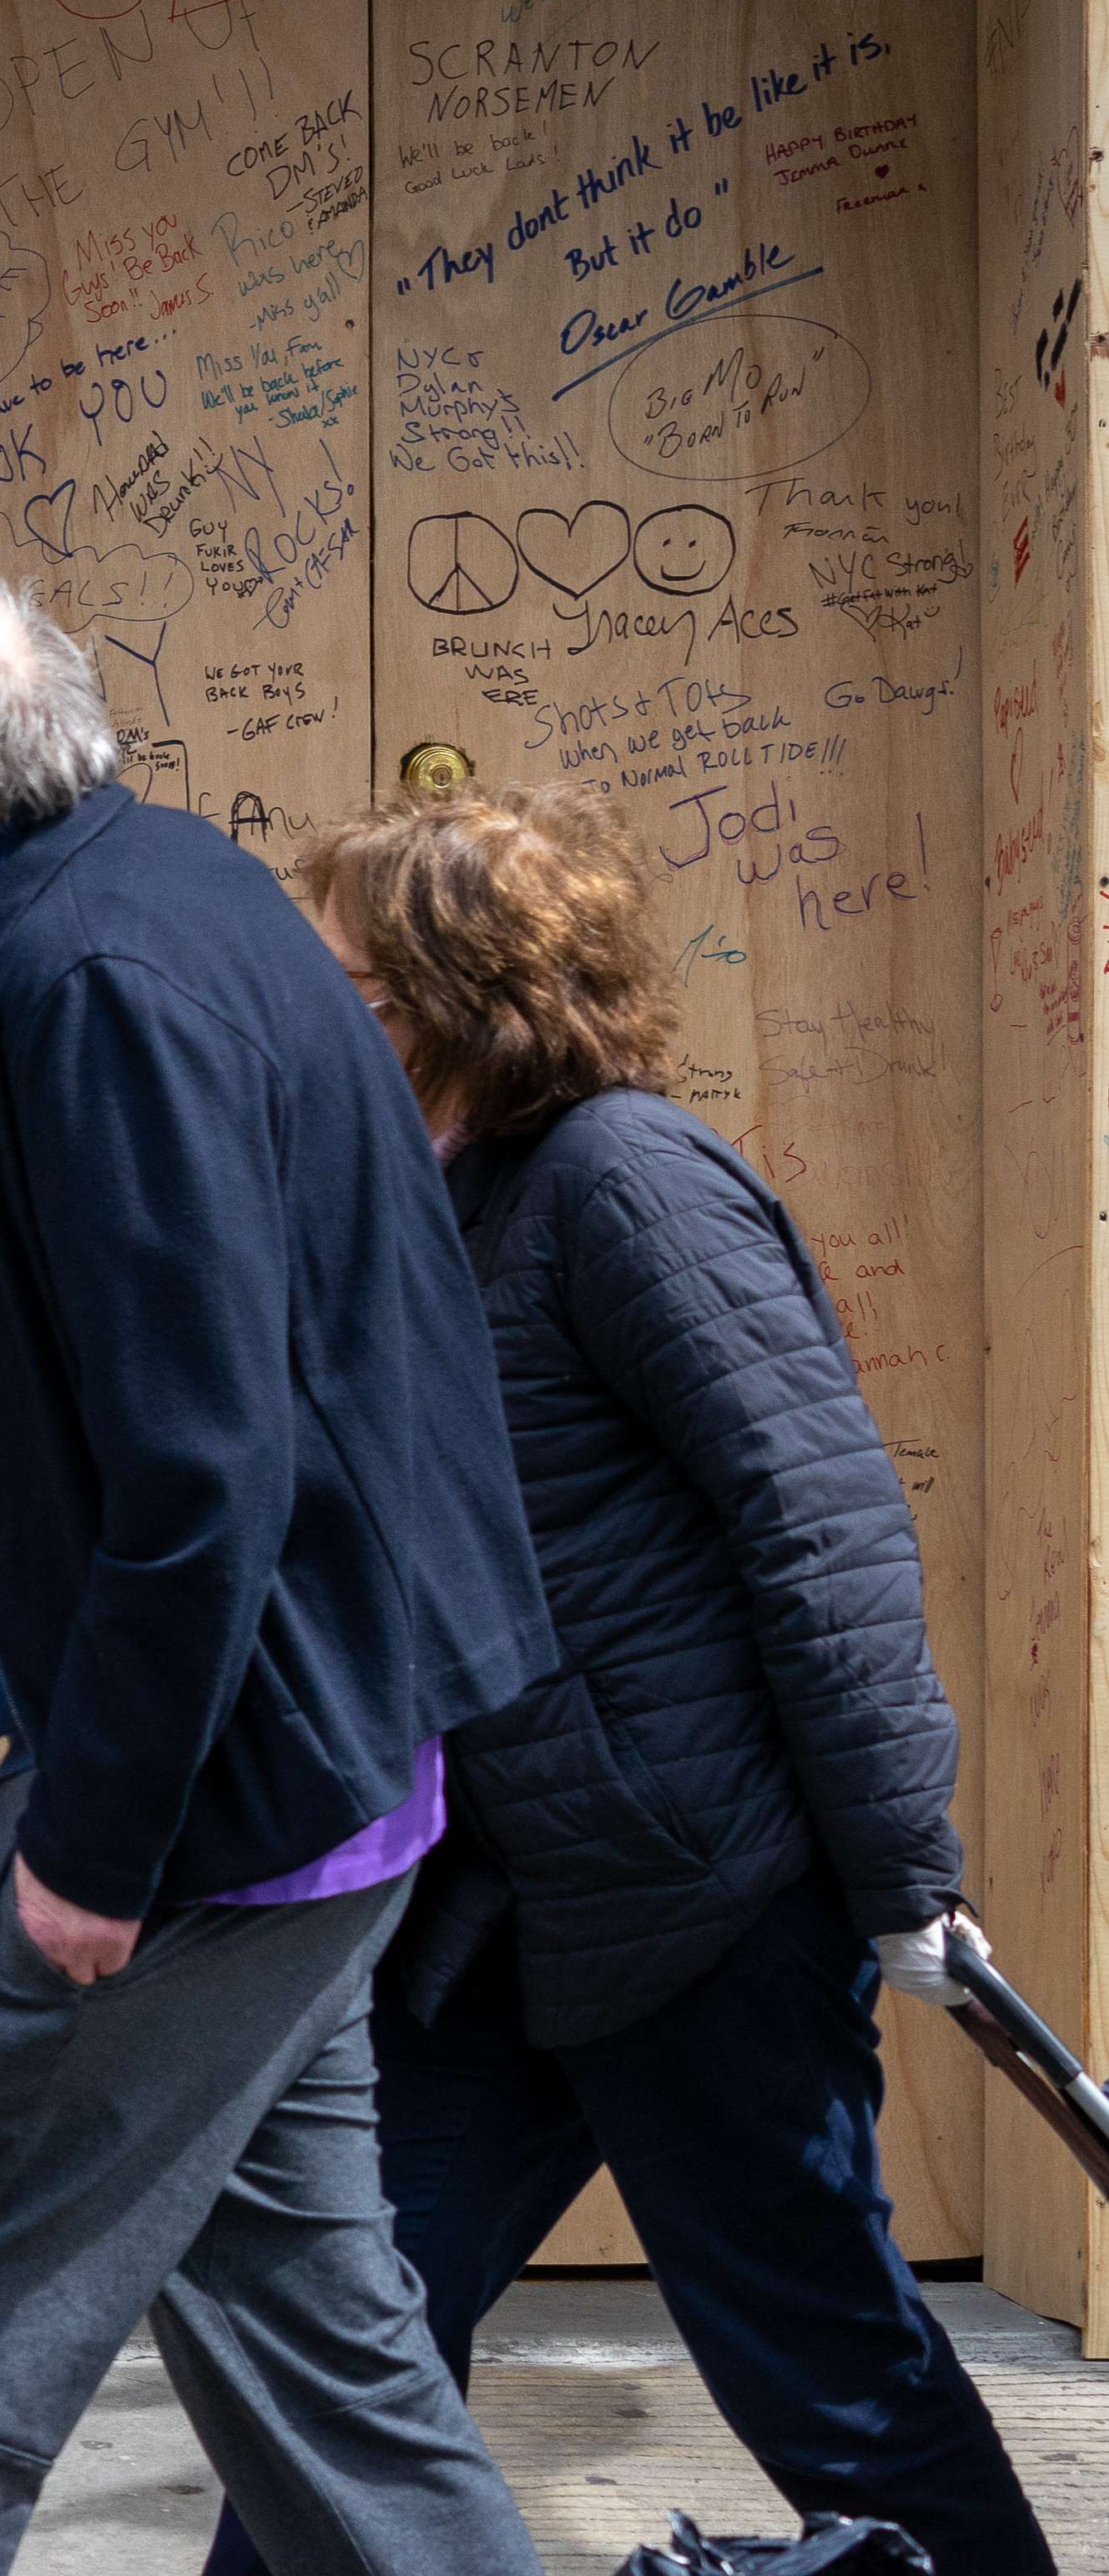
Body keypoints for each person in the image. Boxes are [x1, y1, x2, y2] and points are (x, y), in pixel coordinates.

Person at [0, 524, 559, 2576]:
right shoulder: (146, 894)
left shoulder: (92, 982)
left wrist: (94, 1851)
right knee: (316, 2350)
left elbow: (207, 1466)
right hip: (309, 1759)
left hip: (212, 1794)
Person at [194, 780, 1054, 2576]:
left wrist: (901, 1875)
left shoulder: (624, 1186)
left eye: (344, 981)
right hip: (501, 1913)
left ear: (455, 997)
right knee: (346, 2344)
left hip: (697, 1899)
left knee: (824, 2364)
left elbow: (824, 1534)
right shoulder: (429, 1198)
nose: (307, 1006)